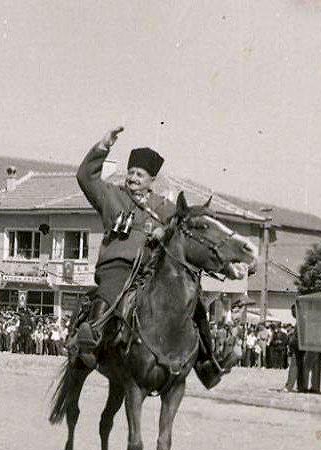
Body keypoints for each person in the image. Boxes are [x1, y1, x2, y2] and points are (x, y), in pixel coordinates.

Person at [71, 125, 228, 388]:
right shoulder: (111, 196)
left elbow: (184, 230)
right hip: (118, 266)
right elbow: (86, 177)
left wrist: (164, 229)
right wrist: (103, 146)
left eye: (139, 174)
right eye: (130, 172)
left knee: (195, 305)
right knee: (109, 294)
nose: (132, 178)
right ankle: (90, 345)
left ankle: (207, 362)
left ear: (151, 179)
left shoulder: (164, 207)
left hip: (154, 270)